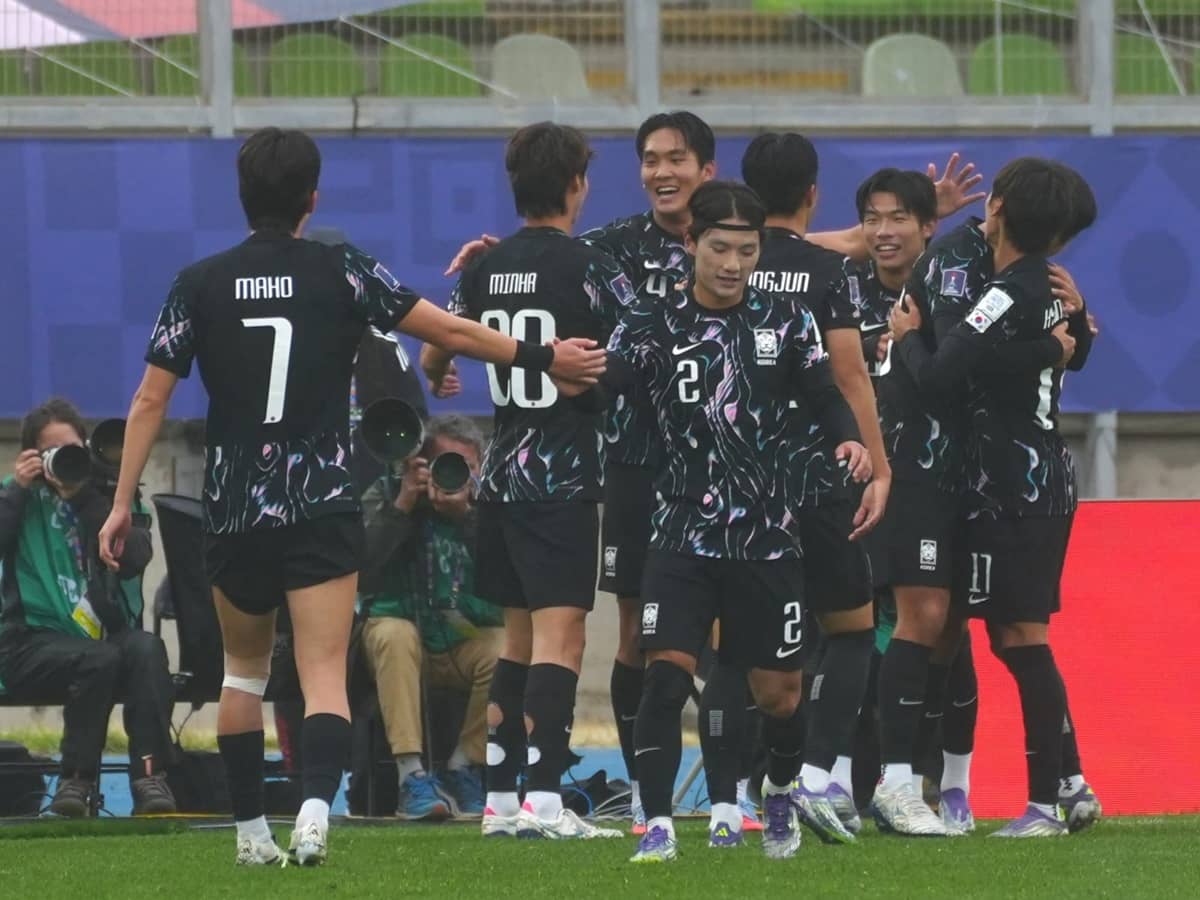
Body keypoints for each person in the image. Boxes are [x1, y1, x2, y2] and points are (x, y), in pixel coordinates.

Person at [96, 127, 607, 867]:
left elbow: (149, 399)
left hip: (236, 509)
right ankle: (313, 816)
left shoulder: (198, 282)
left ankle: (251, 836)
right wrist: (542, 355)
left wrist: (122, 502)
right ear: (313, 196)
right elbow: (446, 330)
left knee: (242, 674)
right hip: (319, 503)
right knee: (323, 673)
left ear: (243, 195)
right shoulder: (342, 270)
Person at [559, 181, 869, 862]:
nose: (732, 264)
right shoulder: (651, 320)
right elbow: (608, 390)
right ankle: (658, 827)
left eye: (746, 251)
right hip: (680, 534)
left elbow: (825, 393)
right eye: (720, 248)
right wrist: (573, 384)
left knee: (780, 696)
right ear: (691, 242)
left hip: (768, 537)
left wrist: (849, 439)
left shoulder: (786, 318)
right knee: (665, 675)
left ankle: (780, 793)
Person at [420, 122, 630, 841]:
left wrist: (438, 375)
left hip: (503, 473)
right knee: (560, 639)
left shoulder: (486, 266)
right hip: (561, 475)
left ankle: (501, 801)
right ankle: (545, 799)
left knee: (515, 640)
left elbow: (439, 347)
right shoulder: (591, 267)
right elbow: (641, 343)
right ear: (576, 184)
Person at [889, 158, 1097, 837]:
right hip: (1023, 480)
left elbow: (945, 370)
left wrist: (905, 341)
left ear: (998, 207)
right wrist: (1066, 335)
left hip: (1013, 487)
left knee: (1019, 639)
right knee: (1006, 638)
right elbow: (1074, 349)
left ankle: (1045, 800)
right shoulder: (1048, 284)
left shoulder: (1006, 291)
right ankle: (1059, 786)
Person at [738, 133, 897, 846]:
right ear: (813, 193)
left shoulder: (723, 264)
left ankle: (739, 794)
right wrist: (879, 469)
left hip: (737, 481)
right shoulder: (829, 271)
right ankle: (813, 775)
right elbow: (850, 375)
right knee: (851, 628)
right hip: (816, 474)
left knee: (740, 639)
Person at [0, 398, 175, 817]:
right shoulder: (16, 495)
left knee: (147, 650)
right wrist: (17, 490)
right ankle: (75, 782)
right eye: (51, 452)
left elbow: (135, 556)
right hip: (30, 643)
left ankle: (150, 776)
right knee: (99, 658)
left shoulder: (114, 495)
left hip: (105, 640)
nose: (64, 459)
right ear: (32, 456)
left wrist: (84, 497)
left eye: (72, 449)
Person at [359, 414, 500, 821]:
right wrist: (404, 505)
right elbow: (361, 570)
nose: (452, 474)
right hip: (399, 635)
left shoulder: (490, 507)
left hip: (461, 635)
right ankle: (412, 776)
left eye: (465, 466)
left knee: (505, 647)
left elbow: (507, 577)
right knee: (395, 634)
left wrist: (468, 517)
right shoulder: (389, 492)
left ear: (480, 469)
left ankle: (464, 766)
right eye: (443, 463)